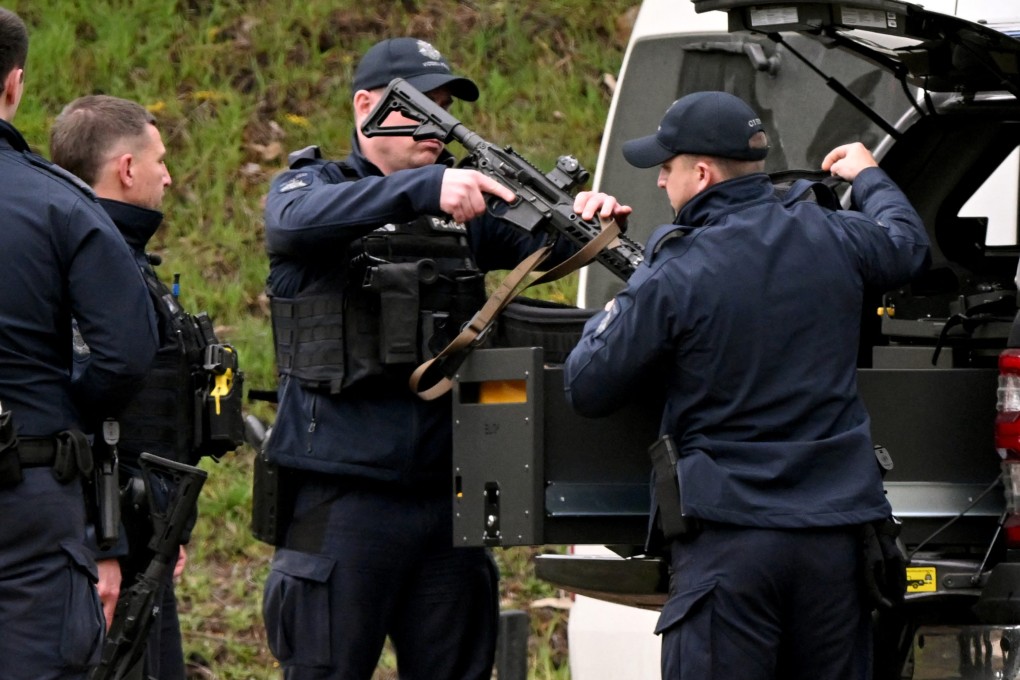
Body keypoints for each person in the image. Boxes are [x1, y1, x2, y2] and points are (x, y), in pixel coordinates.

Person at [260, 37, 629, 680]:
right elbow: (291, 222)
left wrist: (585, 218)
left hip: (444, 502)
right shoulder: (316, 187)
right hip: (341, 498)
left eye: (444, 106)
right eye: (421, 104)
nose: (436, 121)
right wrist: (423, 187)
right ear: (367, 106)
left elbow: (541, 230)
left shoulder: (465, 206)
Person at [564, 91, 931, 679]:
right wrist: (870, 176)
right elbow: (908, 248)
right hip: (836, 543)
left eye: (666, 167)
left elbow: (587, 383)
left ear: (701, 172)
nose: (660, 183)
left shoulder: (679, 268)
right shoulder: (834, 234)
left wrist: (627, 285)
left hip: (731, 548)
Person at [50, 94, 244, 680]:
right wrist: (102, 545)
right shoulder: (87, 262)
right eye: (159, 159)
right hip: (107, 552)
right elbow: (76, 411)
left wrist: (163, 529)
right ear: (127, 169)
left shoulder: (123, 261)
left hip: (145, 536)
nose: (169, 174)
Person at [0, 9, 158, 680]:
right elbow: (125, 353)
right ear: (13, 86)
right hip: (24, 492)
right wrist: (59, 414)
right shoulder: (57, 204)